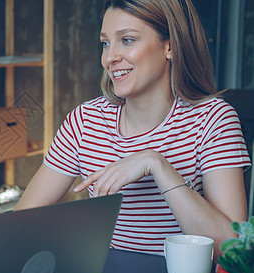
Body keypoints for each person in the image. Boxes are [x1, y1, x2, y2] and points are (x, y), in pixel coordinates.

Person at [15, 0, 251, 257]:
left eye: (126, 40)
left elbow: (232, 251)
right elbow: (21, 221)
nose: (110, 57)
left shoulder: (213, 120)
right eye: (105, 43)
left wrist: (157, 165)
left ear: (169, 46)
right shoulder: (85, 121)